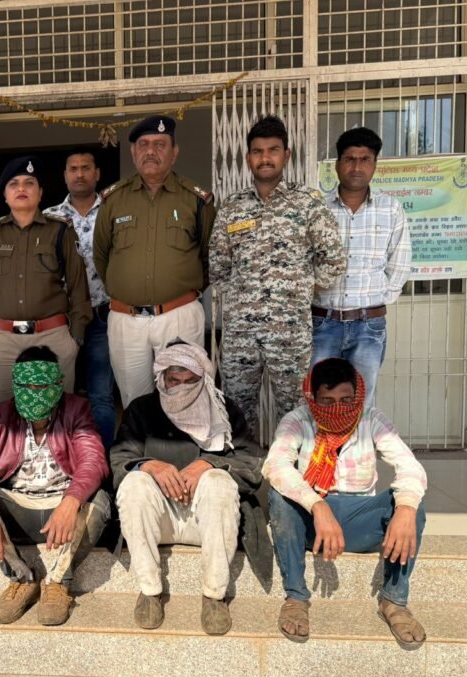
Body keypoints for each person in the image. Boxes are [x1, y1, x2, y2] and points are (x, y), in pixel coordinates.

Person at [263, 357, 427, 647]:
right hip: (313, 524)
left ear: (357, 395)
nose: (338, 408)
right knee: (280, 497)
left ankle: (394, 601)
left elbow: (409, 466)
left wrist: (405, 508)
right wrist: (317, 505)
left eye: (346, 400)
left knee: (410, 505)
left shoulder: (371, 419)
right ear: (313, 398)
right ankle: (296, 598)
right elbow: (275, 465)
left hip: (358, 518)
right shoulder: (298, 421)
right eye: (327, 401)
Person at [112, 342, 261, 635]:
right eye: (174, 380)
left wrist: (208, 464)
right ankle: (150, 591)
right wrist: (150, 465)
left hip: (207, 522)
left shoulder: (225, 409)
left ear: (203, 378)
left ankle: (214, 596)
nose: (181, 387)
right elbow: (118, 461)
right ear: (162, 379)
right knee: (134, 483)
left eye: (190, 380)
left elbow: (251, 464)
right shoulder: (142, 409)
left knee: (218, 482)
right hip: (158, 521)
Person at [209, 115, 345, 436]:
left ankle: (292, 468)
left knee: (297, 413)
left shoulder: (307, 203)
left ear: (287, 155)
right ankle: (243, 468)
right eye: (258, 151)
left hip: (290, 334)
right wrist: (243, 298)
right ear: (248, 158)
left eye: (273, 150)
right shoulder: (232, 207)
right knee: (236, 413)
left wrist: (301, 289)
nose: (265, 158)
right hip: (241, 335)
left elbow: (333, 260)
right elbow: (218, 266)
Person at [0, 345, 110, 626]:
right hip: (18, 507)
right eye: (27, 386)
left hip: (62, 512)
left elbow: (93, 460)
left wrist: (71, 501)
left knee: (99, 501)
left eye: (42, 386)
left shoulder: (76, 410)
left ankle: (57, 582)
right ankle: (21, 578)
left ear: (58, 385)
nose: (34, 393)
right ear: (15, 385)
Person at [93, 115, 216, 407]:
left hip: (179, 316)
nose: (151, 151)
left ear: (174, 152)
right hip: (126, 320)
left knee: (184, 400)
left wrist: (179, 290)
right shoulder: (113, 200)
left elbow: (210, 256)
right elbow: (102, 255)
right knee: (135, 403)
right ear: (133, 152)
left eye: (160, 144)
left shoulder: (195, 200)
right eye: (144, 144)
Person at [0, 156, 92, 407]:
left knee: (56, 409)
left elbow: (79, 288)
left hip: (52, 336)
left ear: (40, 192)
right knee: (2, 412)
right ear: (5, 195)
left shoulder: (61, 231)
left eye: (29, 183)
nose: (21, 189)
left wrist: (76, 339)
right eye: (13, 184)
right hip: (1, 339)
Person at [311, 127, 413, 405]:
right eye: (350, 159)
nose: (357, 167)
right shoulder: (317, 209)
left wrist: (376, 302)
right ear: (337, 165)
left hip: (368, 326)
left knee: (360, 402)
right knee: (318, 401)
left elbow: (400, 263)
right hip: (322, 324)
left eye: (365, 159)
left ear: (375, 164)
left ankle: (358, 439)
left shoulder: (390, 209)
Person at [43, 148, 117, 449]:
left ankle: (103, 461)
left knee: (101, 394)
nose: (79, 174)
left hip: (103, 315)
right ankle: (63, 457)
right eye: (73, 168)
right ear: (65, 175)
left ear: (97, 174)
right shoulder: (50, 217)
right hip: (62, 318)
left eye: (86, 168)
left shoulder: (113, 211)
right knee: (58, 392)